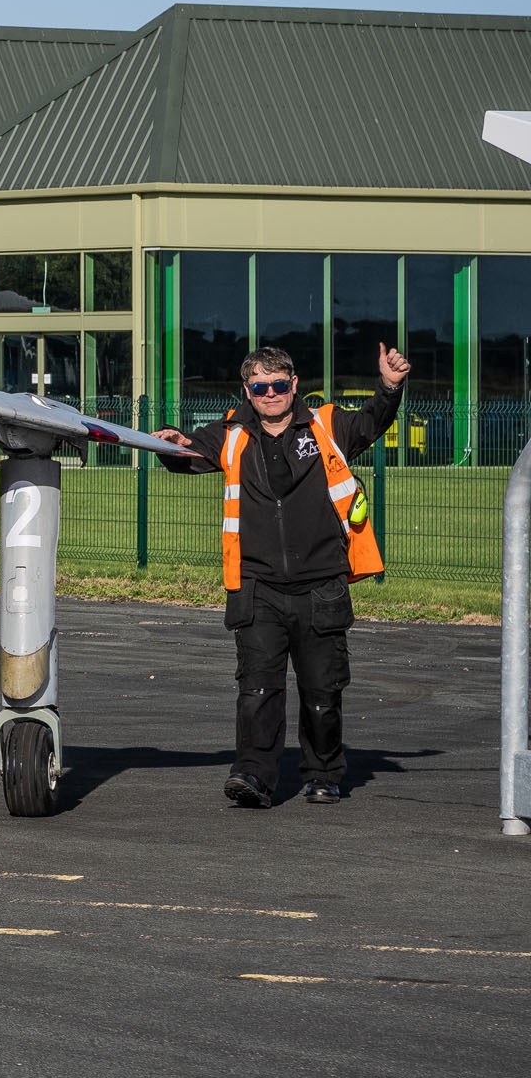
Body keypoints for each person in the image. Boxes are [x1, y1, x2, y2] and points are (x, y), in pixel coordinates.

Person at [167, 341, 406, 806]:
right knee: (257, 690)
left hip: (321, 586)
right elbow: (187, 453)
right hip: (256, 588)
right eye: (260, 386)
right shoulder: (231, 432)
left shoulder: (327, 424)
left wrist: (389, 387)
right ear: (247, 390)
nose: (270, 393)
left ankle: (323, 773)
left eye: (279, 384)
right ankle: (253, 775)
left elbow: (372, 422)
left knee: (322, 692)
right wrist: (172, 443)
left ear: (294, 385)